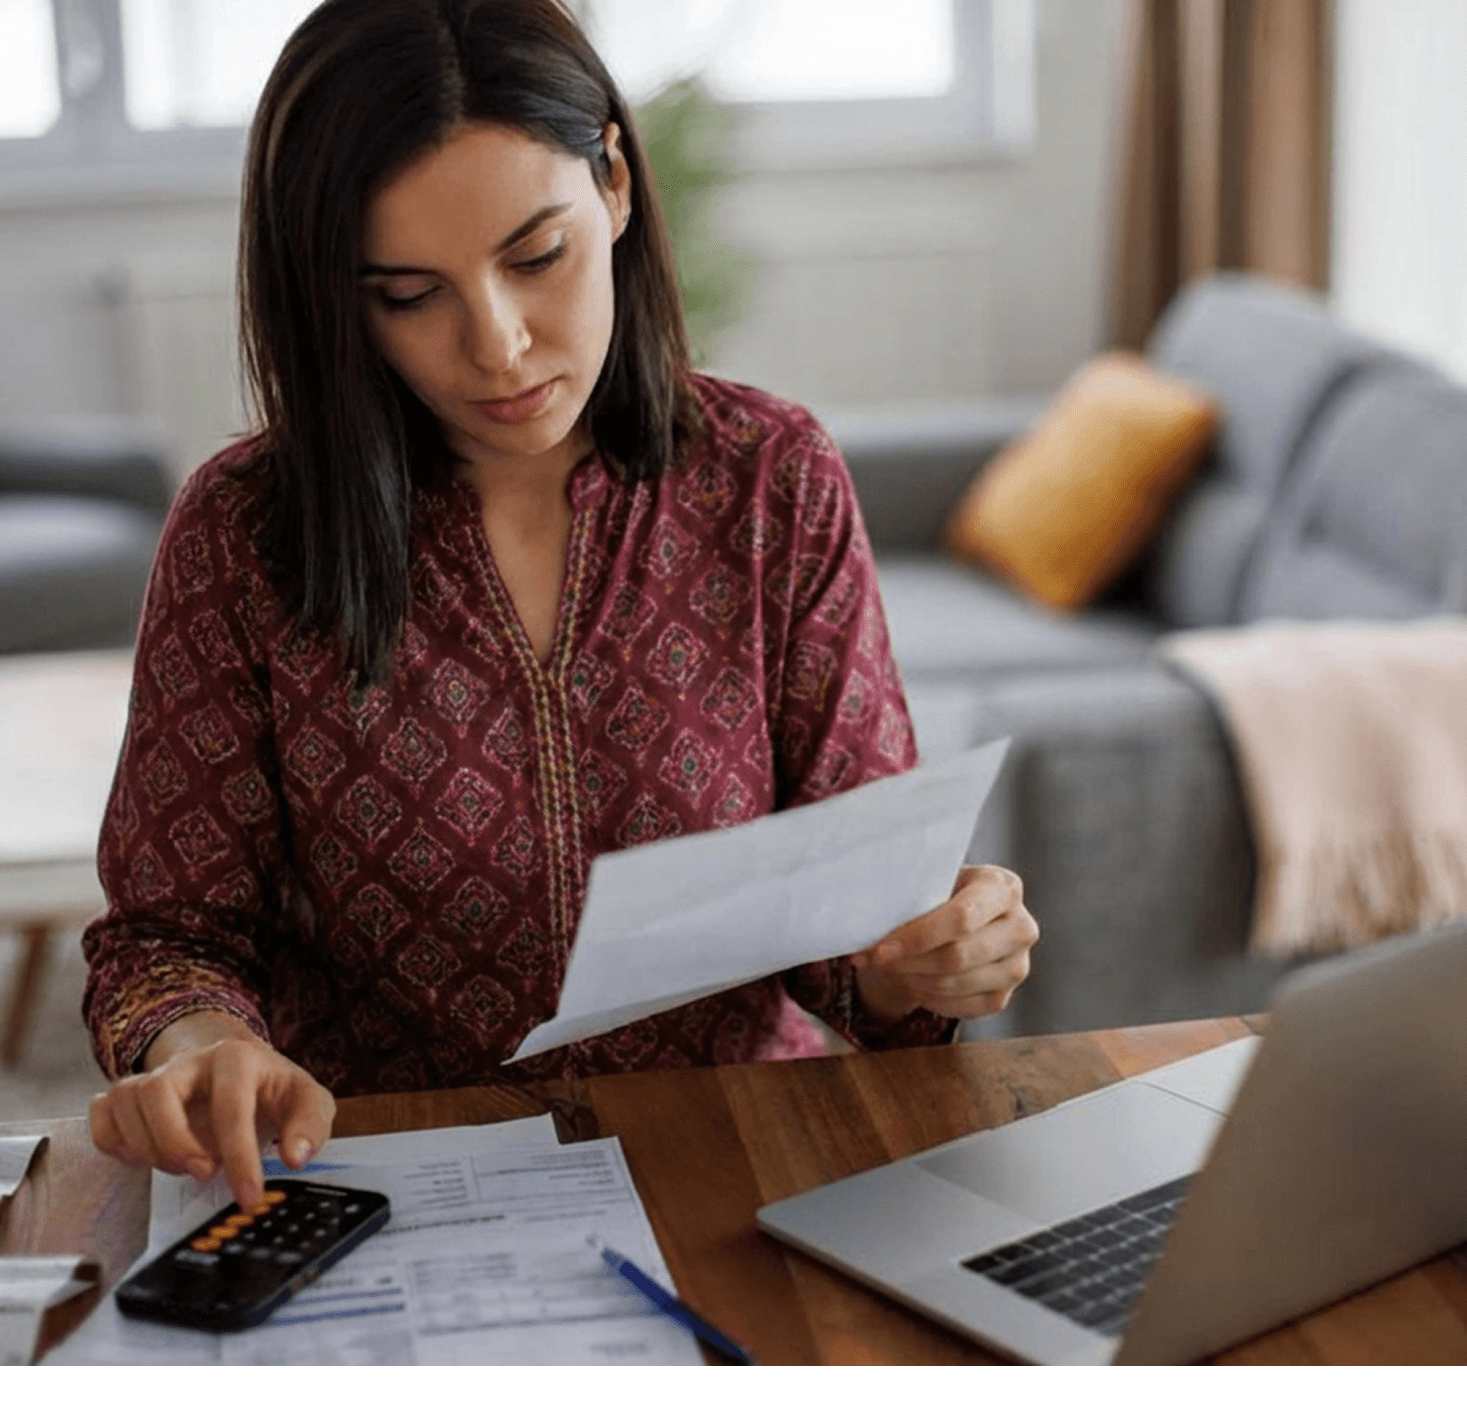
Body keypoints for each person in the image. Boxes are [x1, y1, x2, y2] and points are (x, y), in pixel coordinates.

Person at [82, 0, 1039, 1206]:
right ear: (334, 295)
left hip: (736, 1164)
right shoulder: (242, 532)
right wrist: (203, 1046)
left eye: (537, 256)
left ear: (618, 188)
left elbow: (858, 911)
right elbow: (165, 938)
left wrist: (924, 961)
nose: (497, 345)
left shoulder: (770, 478)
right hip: (386, 1184)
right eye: (406, 293)